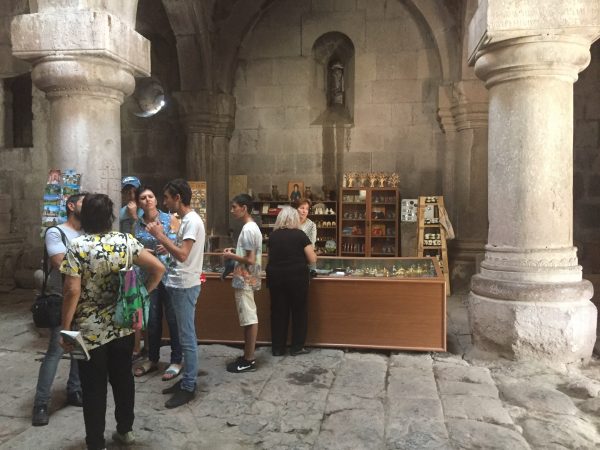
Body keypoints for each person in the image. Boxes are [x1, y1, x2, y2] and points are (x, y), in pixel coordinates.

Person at [59, 194, 164, 450]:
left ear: (86, 217)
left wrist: (65, 326)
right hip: (123, 324)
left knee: (93, 388)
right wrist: (140, 295)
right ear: (110, 217)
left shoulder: (78, 246)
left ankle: (96, 443)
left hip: (90, 331)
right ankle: (125, 431)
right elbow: (158, 268)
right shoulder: (125, 241)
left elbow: (72, 290)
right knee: (123, 379)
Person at [146, 179, 205, 408]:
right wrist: (167, 244)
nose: (164, 202)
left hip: (185, 285)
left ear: (178, 198)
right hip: (180, 283)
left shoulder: (191, 221)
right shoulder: (186, 220)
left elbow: (183, 255)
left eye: (167, 197)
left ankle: (189, 386)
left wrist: (160, 236)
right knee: (182, 335)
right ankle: (186, 380)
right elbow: (180, 251)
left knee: (187, 338)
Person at [32, 193, 86, 427]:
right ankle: (41, 403)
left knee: (78, 347)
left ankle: (74, 389)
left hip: (83, 298)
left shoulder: (87, 234)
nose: (88, 206)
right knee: (55, 350)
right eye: (84, 202)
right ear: (71, 206)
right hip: (60, 298)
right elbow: (61, 263)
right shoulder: (56, 232)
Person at [132, 186, 182, 381]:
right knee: (151, 319)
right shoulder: (137, 224)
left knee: (173, 318)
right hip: (148, 277)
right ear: (139, 203)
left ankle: (176, 360)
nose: (147, 200)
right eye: (143, 198)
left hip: (170, 275)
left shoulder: (170, 219)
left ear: (156, 199)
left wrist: (169, 246)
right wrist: (142, 252)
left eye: (151, 196)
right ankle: (152, 358)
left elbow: (182, 245)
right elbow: (133, 248)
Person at [266, 206, 317, 356]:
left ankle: (278, 348)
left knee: (278, 312)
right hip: (297, 279)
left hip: (276, 278)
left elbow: (269, 258)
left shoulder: (273, 236)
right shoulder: (300, 235)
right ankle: (297, 347)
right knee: (299, 312)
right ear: (294, 219)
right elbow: (312, 258)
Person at [223, 193, 262, 373]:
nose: (232, 210)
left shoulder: (248, 229)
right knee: (248, 317)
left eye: (234, 207)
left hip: (245, 278)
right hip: (248, 277)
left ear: (244, 208)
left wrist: (231, 255)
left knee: (249, 318)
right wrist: (235, 252)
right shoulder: (253, 227)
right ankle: (247, 354)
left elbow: (250, 259)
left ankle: (249, 359)